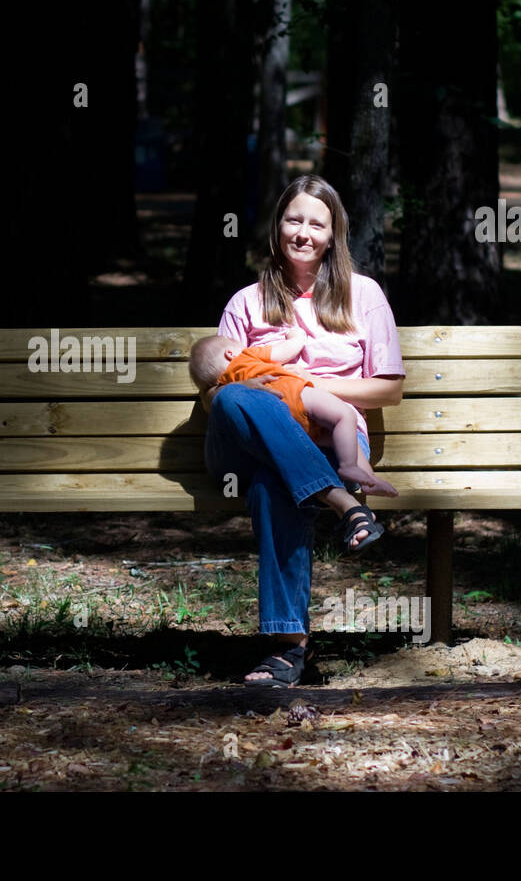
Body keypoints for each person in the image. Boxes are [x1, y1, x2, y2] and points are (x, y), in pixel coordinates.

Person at [200, 175, 405, 687]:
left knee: (276, 485)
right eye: (294, 219)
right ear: (278, 227)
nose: (304, 232)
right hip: (247, 447)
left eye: (317, 223)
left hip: (331, 438)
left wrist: (316, 385)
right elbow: (214, 395)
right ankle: (344, 503)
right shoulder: (246, 302)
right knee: (234, 394)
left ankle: (286, 649)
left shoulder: (364, 294)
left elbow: (388, 390)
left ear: (334, 234)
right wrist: (261, 389)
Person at [188, 330, 399, 497]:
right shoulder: (246, 356)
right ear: (230, 353)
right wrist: (297, 336)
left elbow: (215, 400)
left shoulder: (230, 384)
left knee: (329, 437)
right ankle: (355, 470)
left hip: (282, 426)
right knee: (344, 418)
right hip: (290, 394)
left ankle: (364, 478)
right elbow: (286, 350)